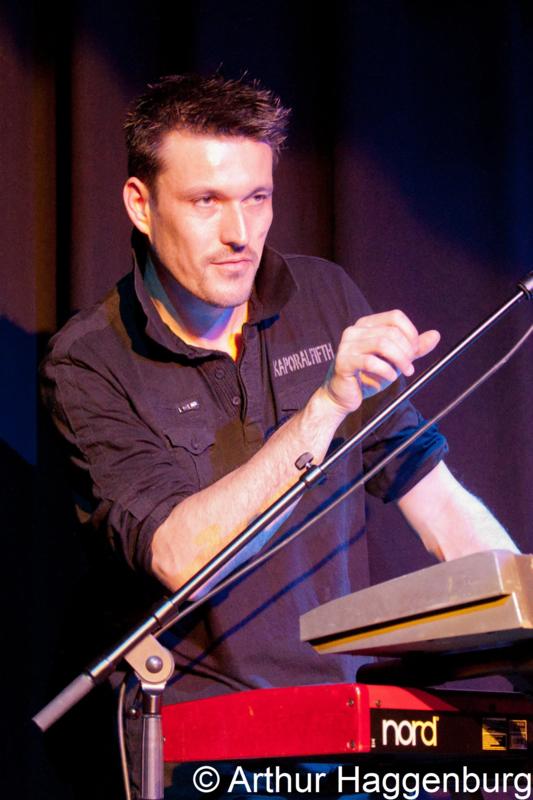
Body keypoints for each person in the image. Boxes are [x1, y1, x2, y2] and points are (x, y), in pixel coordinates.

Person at [41, 74, 518, 799]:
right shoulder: (89, 362)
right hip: (202, 746)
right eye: (207, 201)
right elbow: (180, 557)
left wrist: (523, 620)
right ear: (141, 204)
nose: (240, 233)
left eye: (257, 198)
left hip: (343, 728)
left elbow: (438, 502)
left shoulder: (322, 296)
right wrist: (325, 404)